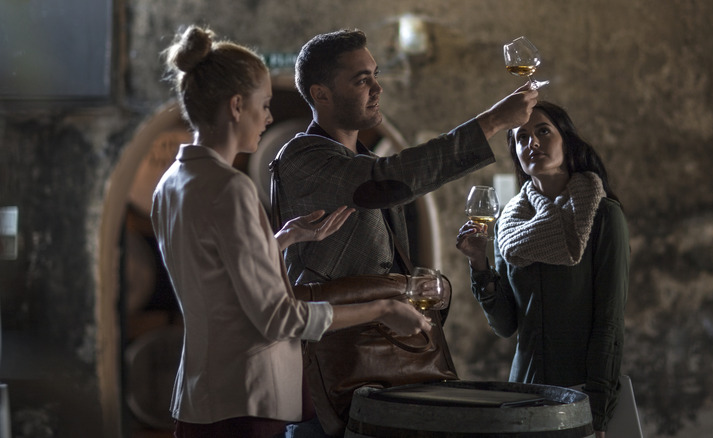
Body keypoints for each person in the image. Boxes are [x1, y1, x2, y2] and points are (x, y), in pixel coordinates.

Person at [152, 25, 431, 438]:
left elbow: (213, 271)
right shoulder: (231, 188)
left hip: (198, 394)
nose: (267, 117)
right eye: (263, 105)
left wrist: (281, 239)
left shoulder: (171, 182)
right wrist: (383, 309)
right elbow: (279, 318)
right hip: (247, 397)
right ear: (235, 106)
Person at [275, 29, 539, 436]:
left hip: (374, 369)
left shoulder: (359, 159)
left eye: (376, 75)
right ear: (321, 94)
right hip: (327, 373)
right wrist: (493, 122)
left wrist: (428, 287)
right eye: (362, 80)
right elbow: (389, 177)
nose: (377, 88)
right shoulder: (302, 157)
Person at [455, 101, 630, 437]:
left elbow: (609, 323)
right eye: (521, 138)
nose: (531, 143)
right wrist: (479, 263)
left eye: (542, 131)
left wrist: (596, 411)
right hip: (522, 393)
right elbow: (506, 325)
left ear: (567, 140)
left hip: (579, 393)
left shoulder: (604, 216)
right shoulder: (510, 226)